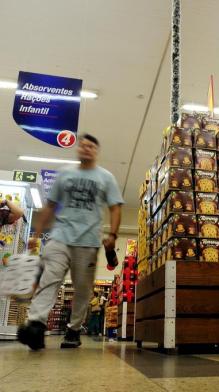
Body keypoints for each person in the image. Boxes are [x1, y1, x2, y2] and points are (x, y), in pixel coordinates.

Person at [17, 133, 123, 350]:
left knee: (83, 289)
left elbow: (115, 207)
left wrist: (112, 235)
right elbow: (50, 206)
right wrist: (36, 234)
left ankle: (74, 330)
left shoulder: (106, 177)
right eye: (82, 145)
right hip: (60, 237)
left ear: (96, 151)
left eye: (90, 146)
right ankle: (36, 325)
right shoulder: (64, 174)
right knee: (49, 279)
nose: (86, 149)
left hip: (89, 241)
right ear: (78, 149)